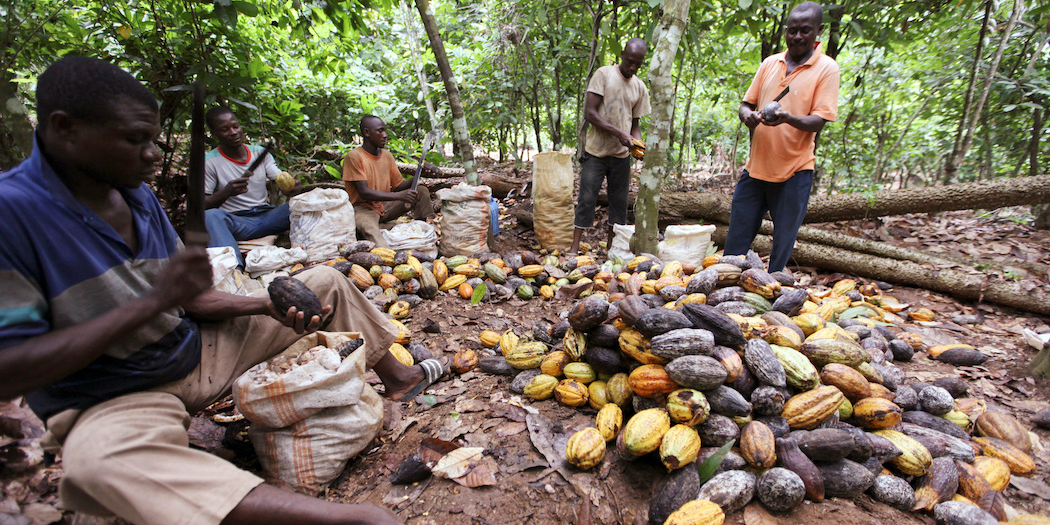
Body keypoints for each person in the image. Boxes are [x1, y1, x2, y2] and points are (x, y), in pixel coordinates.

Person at [0, 56, 450, 525]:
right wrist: (153, 301)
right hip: (117, 392)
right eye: (136, 140)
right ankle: (342, 518)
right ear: (64, 128)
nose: (154, 154)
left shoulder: (134, 195)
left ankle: (401, 379)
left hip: (194, 350)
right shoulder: (12, 214)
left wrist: (264, 305)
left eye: (154, 139)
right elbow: (9, 371)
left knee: (324, 280)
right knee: (100, 465)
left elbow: (192, 302)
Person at [723, 1, 840, 272]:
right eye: (792, 31)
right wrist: (747, 116)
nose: (797, 37)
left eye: (805, 31)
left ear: (818, 31)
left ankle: (772, 294)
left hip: (794, 171)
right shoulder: (769, 63)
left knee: (782, 245)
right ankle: (724, 297)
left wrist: (787, 118)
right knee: (734, 245)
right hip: (755, 170)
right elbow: (746, 104)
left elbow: (819, 121)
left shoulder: (826, 68)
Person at [569, 38, 651, 255]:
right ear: (622, 54)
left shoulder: (640, 87)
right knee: (586, 198)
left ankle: (610, 250)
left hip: (621, 156)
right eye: (630, 61)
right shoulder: (604, 75)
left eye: (638, 64)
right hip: (596, 152)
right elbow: (590, 113)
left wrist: (638, 145)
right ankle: (574, 248)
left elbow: (635, 125)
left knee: (619, 203)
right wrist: (619, 133)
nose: (632, 67)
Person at [204, 106, 300, 267]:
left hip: (267, 217)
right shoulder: (210, 162)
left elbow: (280, 179)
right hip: (238, 222)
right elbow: (201, 205)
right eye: (225, 130)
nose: (233, 132)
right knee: (211, 216)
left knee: (304, 202)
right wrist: (227, 192)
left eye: (235, 126)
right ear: (214, 134)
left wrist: (291, 189)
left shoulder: (259, 153)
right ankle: (233, 270)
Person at [342, 115, 436, 248]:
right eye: (380, 131)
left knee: (420, 190)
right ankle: (377, 231)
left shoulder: (386, 155)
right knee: (378, 242)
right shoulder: (354, 157)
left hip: (385, 205)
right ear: (367, 133)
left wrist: (418, 175)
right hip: (364, 209)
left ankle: (424, 228)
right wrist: (399, 196)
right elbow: (364, 193)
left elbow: (398, 185)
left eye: (385, 131)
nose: (385, 135)